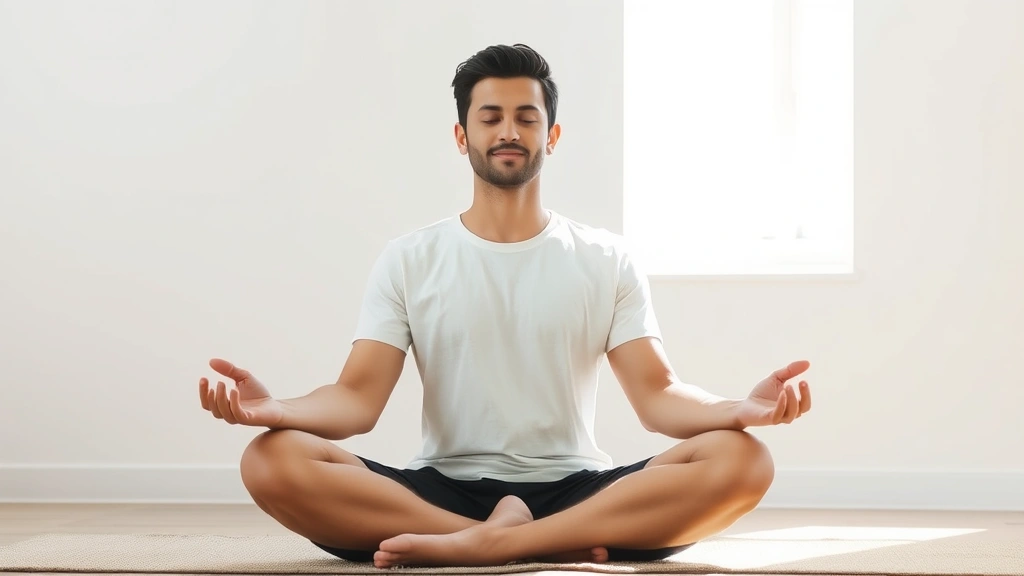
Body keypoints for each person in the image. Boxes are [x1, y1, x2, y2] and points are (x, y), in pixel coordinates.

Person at [197, 43, 812, 568]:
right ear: (463, 135)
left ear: (553, 134)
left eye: (526, 116)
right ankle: (530, 544)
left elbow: (658, 397)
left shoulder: (605, 258)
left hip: (575, 489)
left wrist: (738, 408)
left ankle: (490, 546)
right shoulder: (410, 258)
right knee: (271, 460)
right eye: (490, 117)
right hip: (439, 491)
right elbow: (357, 399)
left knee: (743, 459)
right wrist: (277, 408)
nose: (509, 131)